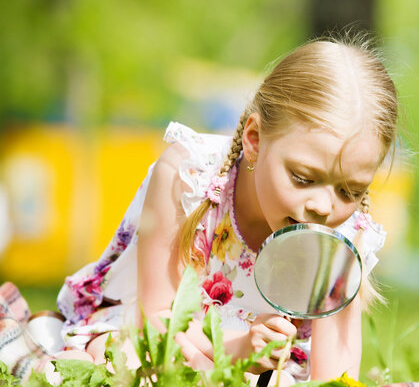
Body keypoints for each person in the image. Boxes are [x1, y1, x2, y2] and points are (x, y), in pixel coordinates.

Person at [55, 35, 399, 383]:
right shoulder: (188, 176)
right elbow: (158, 322)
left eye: (349, 190)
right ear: (254, 140)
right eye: (302, 178)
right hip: (166, 342)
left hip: (265, 371)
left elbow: (335, 374)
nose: (324, 207)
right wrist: (241, 351)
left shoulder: (341, 237)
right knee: (130, 363)